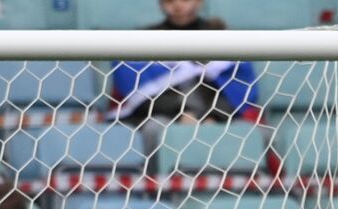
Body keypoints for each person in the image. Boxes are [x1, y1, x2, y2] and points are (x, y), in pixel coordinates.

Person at [109, 1, 258, 125]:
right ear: (160, 4)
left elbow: (239, 84)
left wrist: (214, 116)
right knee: (156, 127)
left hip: (216, 116)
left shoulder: (221, 37)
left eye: (185, 0)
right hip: (165, 116)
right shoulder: (144, 40)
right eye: (170, 0)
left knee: (250, 132)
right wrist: (181, 112)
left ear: (199, 2)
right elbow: (137, 89)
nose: (178, 5)